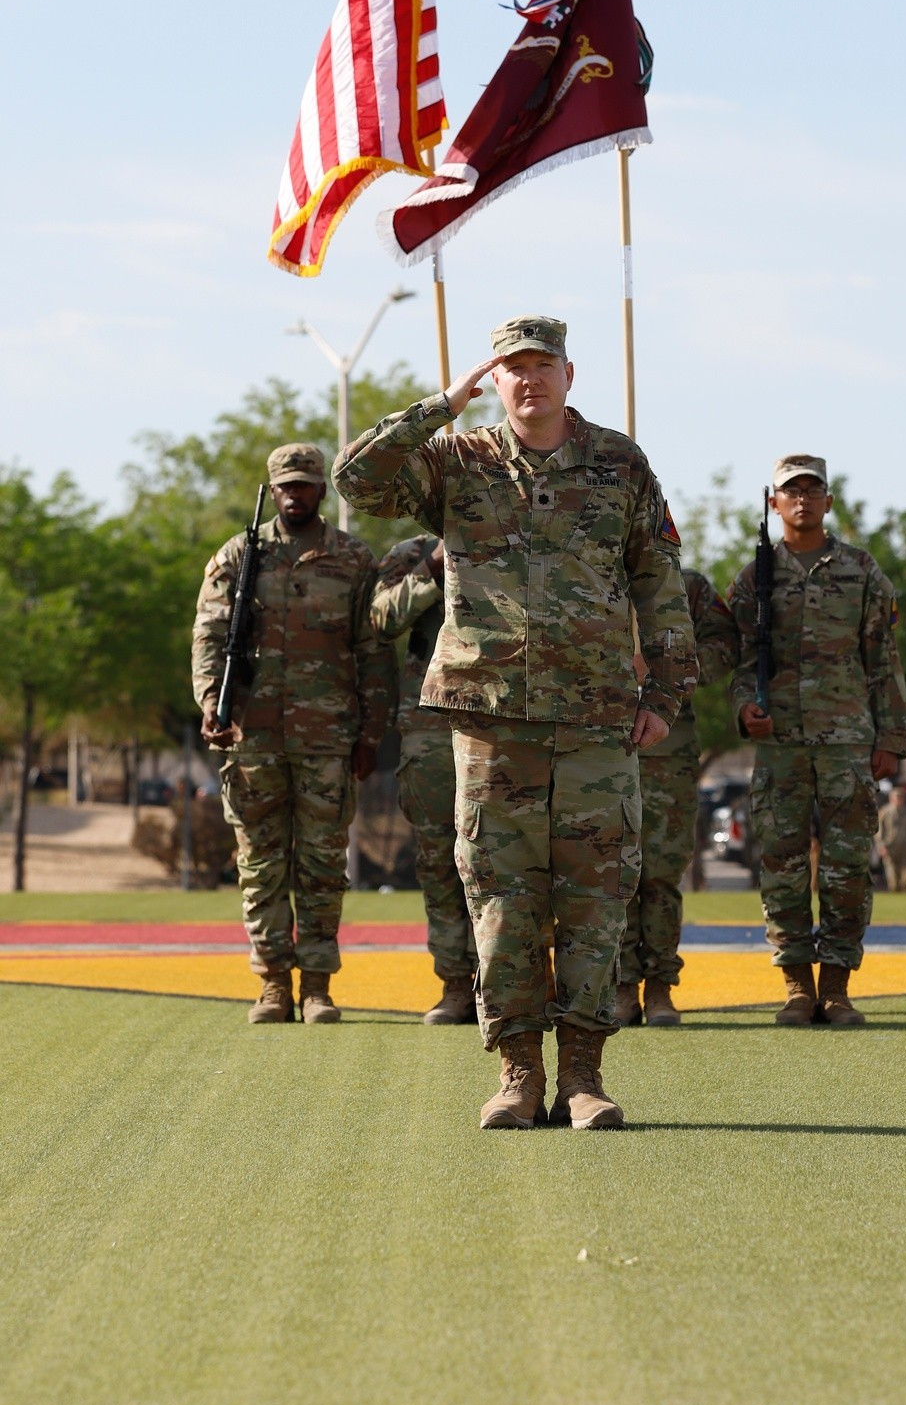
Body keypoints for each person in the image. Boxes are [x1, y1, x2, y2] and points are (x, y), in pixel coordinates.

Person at [333, 316, 697, 1129]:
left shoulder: (619, 462)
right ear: (492, 381)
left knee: (597, 899)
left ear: (572, 374)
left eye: (543, 366)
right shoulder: (455, 462)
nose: (528, 380)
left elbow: (656, 577)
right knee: (501, 900)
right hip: (490, 718)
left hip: (598, 715)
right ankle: (517, 1074)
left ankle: (584, 1078)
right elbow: (355, 480)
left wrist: (667, 694)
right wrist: (439, 405)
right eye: (511, 368)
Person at [192, 444, 397, 1023]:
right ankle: (273, 983)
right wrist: (212, 700)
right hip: (253, 736)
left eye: (305, 484)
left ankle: (317, 985)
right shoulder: (240, 555)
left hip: (329, 737)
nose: (294, 493)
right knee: (260, 863)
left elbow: (373, 651)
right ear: (272, 487)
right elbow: (209, 635)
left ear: (320, 490)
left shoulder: (353, 559)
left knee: (323, 865)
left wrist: (371, 732)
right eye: (286, 484)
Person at [727, 454, 906, 1027]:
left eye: (813, 490)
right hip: (780, 743)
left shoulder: (861, 571)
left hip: (846, 742)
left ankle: (836, 988)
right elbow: (738, 660)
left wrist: (892, 738)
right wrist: (744, 709)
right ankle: (796, 987)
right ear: (773, 503)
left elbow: (882, 660)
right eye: (791, 490)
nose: (802, 499)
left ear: (829, 502)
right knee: (780, 864)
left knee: (847, 866)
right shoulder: (755, 577)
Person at [616, 569, 738, 1027]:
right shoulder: (585, 573)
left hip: (669, 749)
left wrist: (669, 663)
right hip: (599, 743)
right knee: (612, 872)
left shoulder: (686, 586)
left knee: (662, 873)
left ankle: (661, 987)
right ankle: (622, 987)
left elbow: (726, 647)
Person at [372, 532, 478, 1022]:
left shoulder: (521, 530)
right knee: (439, 862)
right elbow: (382, 619)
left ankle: (512, 987)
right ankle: (456, 985)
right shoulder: (411, 554)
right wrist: (434, 567)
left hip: (506, 725)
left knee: (512, 863)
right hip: (431, 727)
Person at [877, 784, 906, 893]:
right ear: (891, 798)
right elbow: (879, 831)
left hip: (905, 846)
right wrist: (881, 846)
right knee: (892, 876)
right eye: (896, 797)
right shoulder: (884, 812)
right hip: (890, 846)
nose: (898, 799)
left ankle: (903, 893)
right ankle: (894, 892)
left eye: (900, 797)